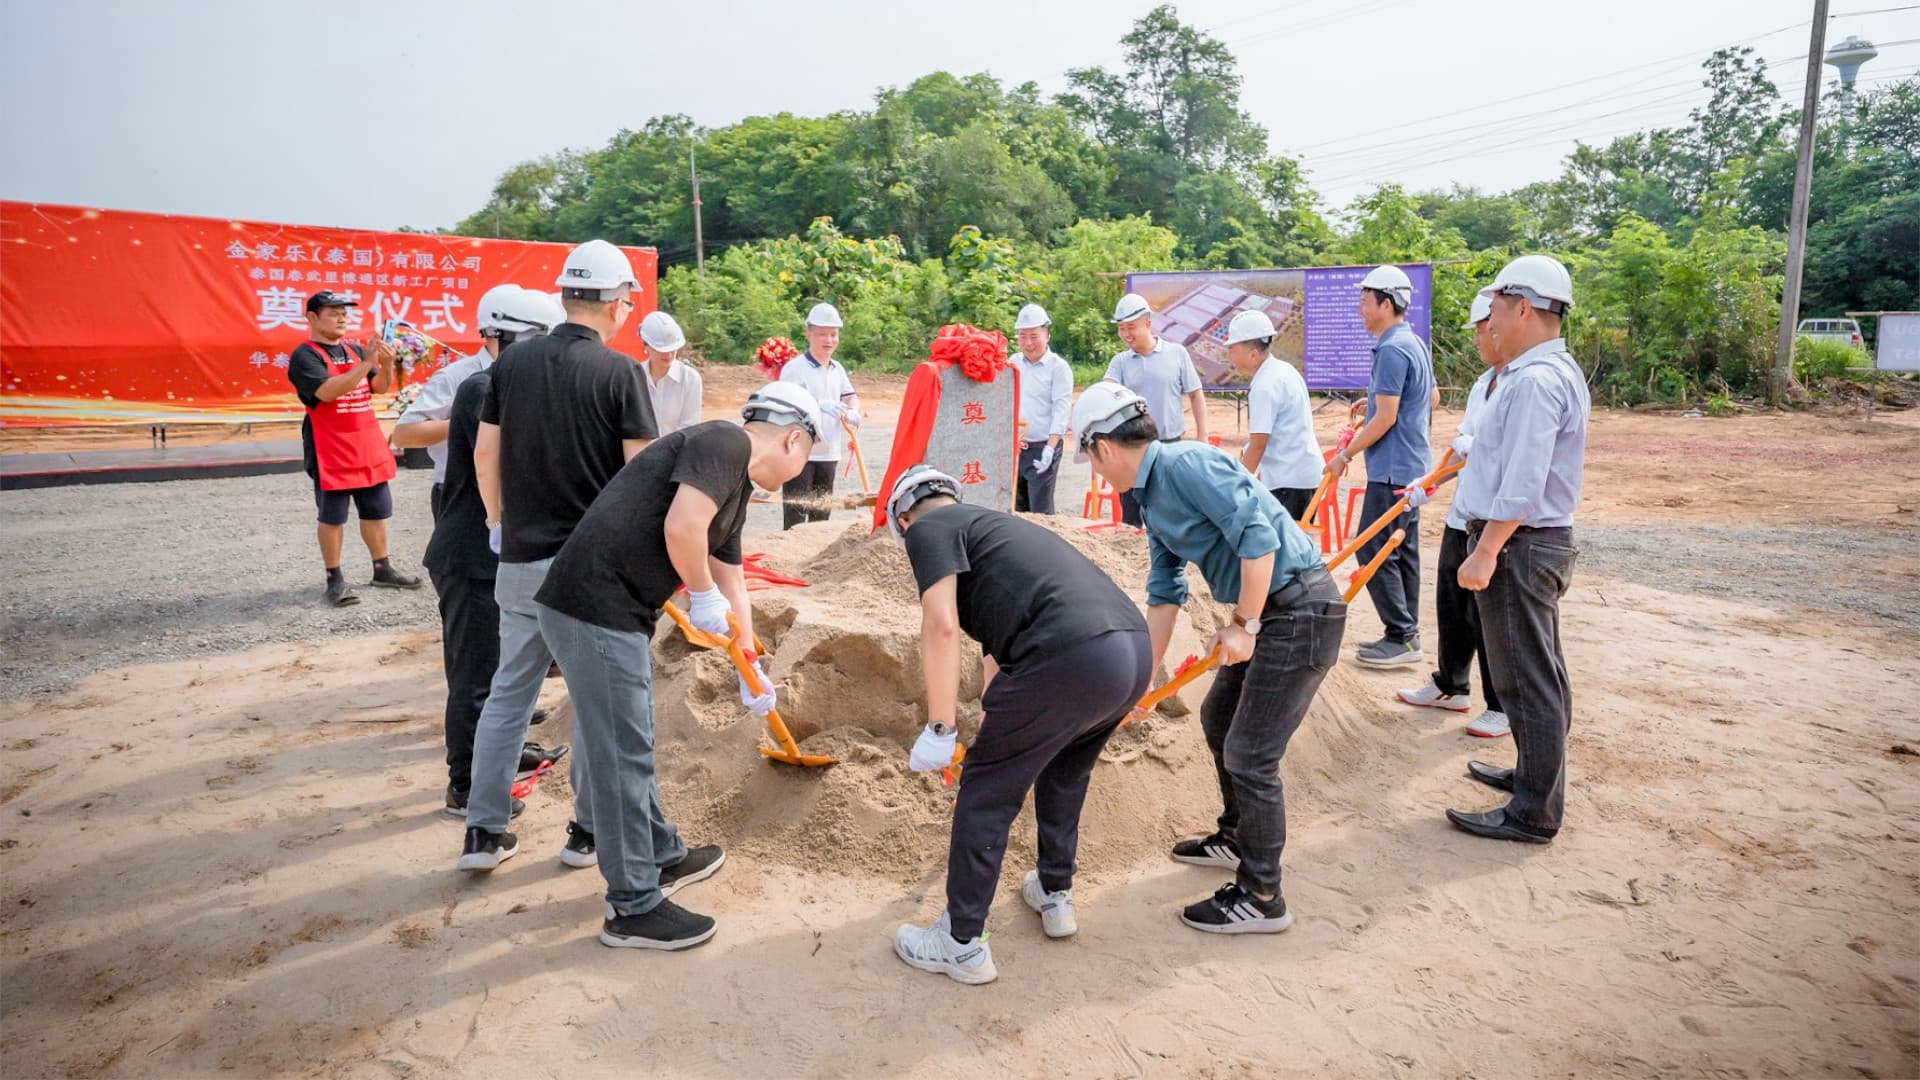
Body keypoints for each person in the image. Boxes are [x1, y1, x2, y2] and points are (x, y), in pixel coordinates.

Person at [533, 383, 824, 949]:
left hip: (609, 612)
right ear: (794, 438)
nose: (802, 470)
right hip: (593, 607)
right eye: (808, 456)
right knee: (624, 754)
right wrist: (701, 592)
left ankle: (662, 853)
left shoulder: (735, 485)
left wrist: (751, 669)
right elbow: (682, 528)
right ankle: (633, 906)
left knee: (626, 741)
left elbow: (733, 583)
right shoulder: (723, 443)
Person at [1073, 381, 1346, 935]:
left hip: (1298, 611)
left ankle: (1262, 894)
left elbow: (1259, 539)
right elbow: (1164, 591)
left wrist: (1244, 625)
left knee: (1251, 753)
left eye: (1091, 460)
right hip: (1271, 613)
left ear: (1102, 447)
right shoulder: (1151, 498)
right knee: (1218, 718)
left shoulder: (1187, 464)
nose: (1096, 472)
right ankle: (1236, 836)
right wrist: (1140, 683)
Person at [886, 466, 1152, 985]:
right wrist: (997, 715)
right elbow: (998, 653)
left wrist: (941, 729)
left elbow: (939, 626)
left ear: (903, 517)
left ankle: (960, 943)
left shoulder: (926, 528)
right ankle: (1054, 893)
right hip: (1129, 651)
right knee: (1064, 771)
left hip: (1067, 655)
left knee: (985, 790)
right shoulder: (995, 532)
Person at [457, 239, 659, 874]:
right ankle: (586, 835)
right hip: (589, 575)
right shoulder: (621, 373)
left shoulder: (508, 369)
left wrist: (496, 522)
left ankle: (483, 833)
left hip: (517, 560)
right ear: (615, 301)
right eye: (628, 298)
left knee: (508, 695)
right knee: (597, 705)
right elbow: (641, 478)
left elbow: (484, 455)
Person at [1447, 255, 1588, 845]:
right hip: (1532, 544)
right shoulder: (1553, 371)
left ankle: (1533, 813)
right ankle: (1534, 780)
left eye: (1497, 311)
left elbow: (1523, 485)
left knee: (1525, 679)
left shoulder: (1533, 380)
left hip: (1519, 547)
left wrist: (1485, 551)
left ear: (1523, 307)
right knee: (1540, 672)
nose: (1493, 324)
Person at [420, 290, 564, 819]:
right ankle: (465, 784)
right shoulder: (484, 389)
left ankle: (505, 755)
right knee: (475, 676)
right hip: (470, 556)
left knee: (507, 669)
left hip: (496, 555)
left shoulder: (507, 386)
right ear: (508, 339)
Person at [1395, 294, 1508, 738]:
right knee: (1453, 606)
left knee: (1490, 618)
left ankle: (1501, 705)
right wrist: (1431, 482)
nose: (1478, 338)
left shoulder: (1520, 383)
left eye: (1482, 329)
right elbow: (1461, 445)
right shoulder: (1484, 383)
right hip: (1464, 514)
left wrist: (1474, 452)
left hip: (1496, 520)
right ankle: (1451, 685)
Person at [1324, 265, 1435, 667]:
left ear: (1386, 304)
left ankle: (1401, 636)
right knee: (1402, 551)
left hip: (1392, 470)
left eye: (1365, 302)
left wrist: (1344, 454)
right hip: (1413, 466)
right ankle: (1406, 634)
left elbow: (1387, 418)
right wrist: (1372, 403)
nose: (1360, 310)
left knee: (1372, 545)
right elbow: (1430, 399)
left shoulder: (1391, 348)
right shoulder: (1413, 343)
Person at [286, 289, 421, 607]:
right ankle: (335, 579)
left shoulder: (354, 349)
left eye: (344, 312)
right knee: (332, 517)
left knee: (375, 511)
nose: (342, 317)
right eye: (333, 312)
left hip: (366, 443)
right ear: (312, 317)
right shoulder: (304, 355)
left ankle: (382, 568)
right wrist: (366, 364)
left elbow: (378, 387)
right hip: (330, 448)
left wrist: (385, 364)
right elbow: (327, 392)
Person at [392, 284, 554, 521]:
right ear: (497, 332)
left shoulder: (536, 373)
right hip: (462, 493)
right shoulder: (456, 377)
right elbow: (404, 434)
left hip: (517, 492)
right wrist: (470, 422)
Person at [1105, 292, 1208, 526]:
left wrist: (1202, 436)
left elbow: (1195, 394)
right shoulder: (1120, 362)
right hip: (1131, 448)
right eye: (1121, 328)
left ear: (1148, 324)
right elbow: (1106, 392)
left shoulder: (1176, 353)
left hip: (1169, 446)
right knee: (1132, 516)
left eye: (1131, 327)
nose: (1126, 334)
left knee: (1172, 513)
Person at [1225, 310, 1322, 520]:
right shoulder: (1283, 370)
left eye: (1232, 349)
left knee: (1282, 547)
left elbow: (1259, 444)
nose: (1229, 356)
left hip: (1288, 481)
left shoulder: (1264, 385)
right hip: (1302, 475)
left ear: (1253, 353)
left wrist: (1238, 485)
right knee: (1293, 544)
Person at [777, 302, 862, 529]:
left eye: (833, 334)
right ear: (809, 335)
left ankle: (816, 559)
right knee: (796, 513)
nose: (829, 340)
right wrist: (817, 405)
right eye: (822, 334)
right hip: (800, 452)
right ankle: (791, 555)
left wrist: (853, 410)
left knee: (821, 513)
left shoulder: (837, 368)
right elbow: (785, 403)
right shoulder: (795, 368)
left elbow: (850, 395)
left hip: (829, 452)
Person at [1010, 303, 1073, 514]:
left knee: (1041, 510)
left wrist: (1050, 447)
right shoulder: (1012, 363)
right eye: (1022, 336)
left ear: (1046, 334)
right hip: (1016, 447)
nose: (1028, 343)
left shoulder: (1058, 368)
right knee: (1016, 507)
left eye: (1034, 336)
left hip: (1043, 446)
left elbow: (1061, 409)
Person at [637, 310, 704, 437]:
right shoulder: (634, 377)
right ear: (646, 346)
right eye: (661, 350)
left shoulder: (690, 379)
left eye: (672, 349)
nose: (668, 355)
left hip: (677, 453)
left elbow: (689, 428)